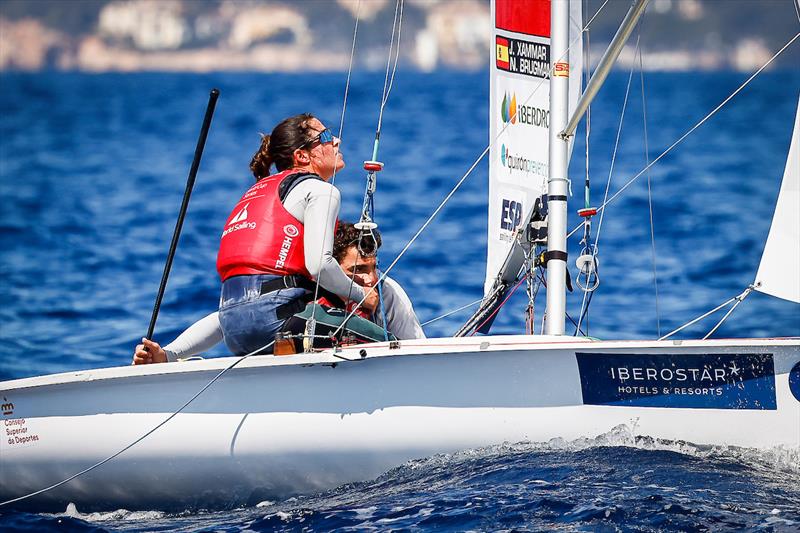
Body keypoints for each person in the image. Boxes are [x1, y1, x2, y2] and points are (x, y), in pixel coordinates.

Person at [133, 223, 424, 364]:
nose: (368, 278)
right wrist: (168, 354)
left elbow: (417, 349)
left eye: (373, 267)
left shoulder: (386, 292)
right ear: (332, 268)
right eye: (357, 269)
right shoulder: (305, 291)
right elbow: (222, 321)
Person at [215, 113, 378, 356]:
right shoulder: (321, 191)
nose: (337, 140)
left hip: (234, 333)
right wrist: (361, 295)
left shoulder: (258, 193)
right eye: (324, 136)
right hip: (278, 324)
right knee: (386, 341)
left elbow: (241, 305)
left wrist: (171, 354)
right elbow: (320, 267)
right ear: (301, 156)